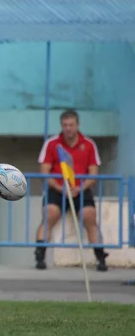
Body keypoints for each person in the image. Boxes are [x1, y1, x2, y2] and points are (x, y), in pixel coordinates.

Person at [35, 109, 107, 271]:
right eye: (65, 125)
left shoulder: (88, 144)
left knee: (89, 216)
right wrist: (61, 188)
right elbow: (44, 172)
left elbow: (93, 174)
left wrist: (80, 188)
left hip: (81, 189)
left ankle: (100, 257)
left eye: (71, 125)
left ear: (77, 125)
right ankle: (40, 256)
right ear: (61, 125)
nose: (68, 128)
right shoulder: (52, 143)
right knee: (50, 214)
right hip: (57, 188)